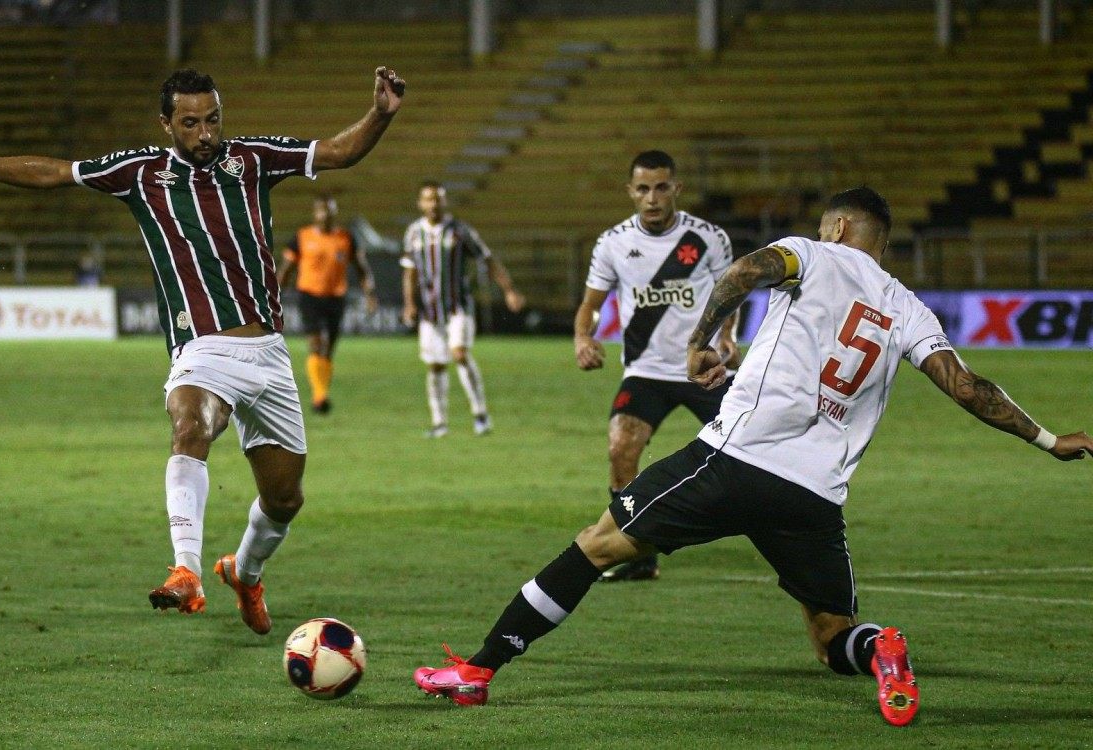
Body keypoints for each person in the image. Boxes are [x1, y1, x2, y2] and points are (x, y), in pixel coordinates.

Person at [413, 187, 1091, 725]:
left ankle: (476, 672)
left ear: (838, 229)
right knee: (832, 640)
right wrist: (1048, 439)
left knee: (595, 547)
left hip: (734, 463)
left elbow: (745, 271)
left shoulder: (811, 252)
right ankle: (880, 648)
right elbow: (968, 388)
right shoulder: (909, 308)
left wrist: (703, 340)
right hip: (814, 497)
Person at [0, 66, 407, 635]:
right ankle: (186, 570)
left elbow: (340, 153)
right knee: (189, 424)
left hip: (268, 351)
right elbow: (50, 172)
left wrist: (382, 114)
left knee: (285, 499)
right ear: (166, 123)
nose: (205, 134)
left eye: (212, 119)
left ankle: (244, 573)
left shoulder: (253, 159)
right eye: (190, 122)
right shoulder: (140, 173)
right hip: (201, 348)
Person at [574, 150, 739, 583]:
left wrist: (727, 336)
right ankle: (637, 554)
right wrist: (583, 336)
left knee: (754, 450)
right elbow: (590, 305)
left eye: (661, 187)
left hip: (704, 368)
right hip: (645, 371)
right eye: (643, 189)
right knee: (620, 448)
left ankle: (785, 530)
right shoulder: (612, 243)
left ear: (676, 189)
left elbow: (730, 295)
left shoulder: (707, 238)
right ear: (630, 191)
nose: (652, 198)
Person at [400, 181, 525, 437]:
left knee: (459, 354)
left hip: (459, 307)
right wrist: (410, 304)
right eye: (428, 199)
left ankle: (480, 414)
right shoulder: (414, 233)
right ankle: (439, 423)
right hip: (430, 311)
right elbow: (409, 273)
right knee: (435, 365)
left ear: (444, 202)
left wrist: (509, 289)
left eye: (438, 199)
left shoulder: (459, 231)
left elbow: (487, 259)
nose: (433, 204)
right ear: (420, 204)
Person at [277, 193, 378, 415]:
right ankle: (319, 396)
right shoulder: (302, 237)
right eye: (321, 210)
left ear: (335, 212)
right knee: (316, 345)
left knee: (328, 351)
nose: (325, 214)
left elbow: (362, 268)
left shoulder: (346, 238)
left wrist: (370, 294)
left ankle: (321, 392)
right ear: (315, 213)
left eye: (329, 210)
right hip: (309, 297)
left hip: (336, 298)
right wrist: (275, 295)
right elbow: (286, 269)